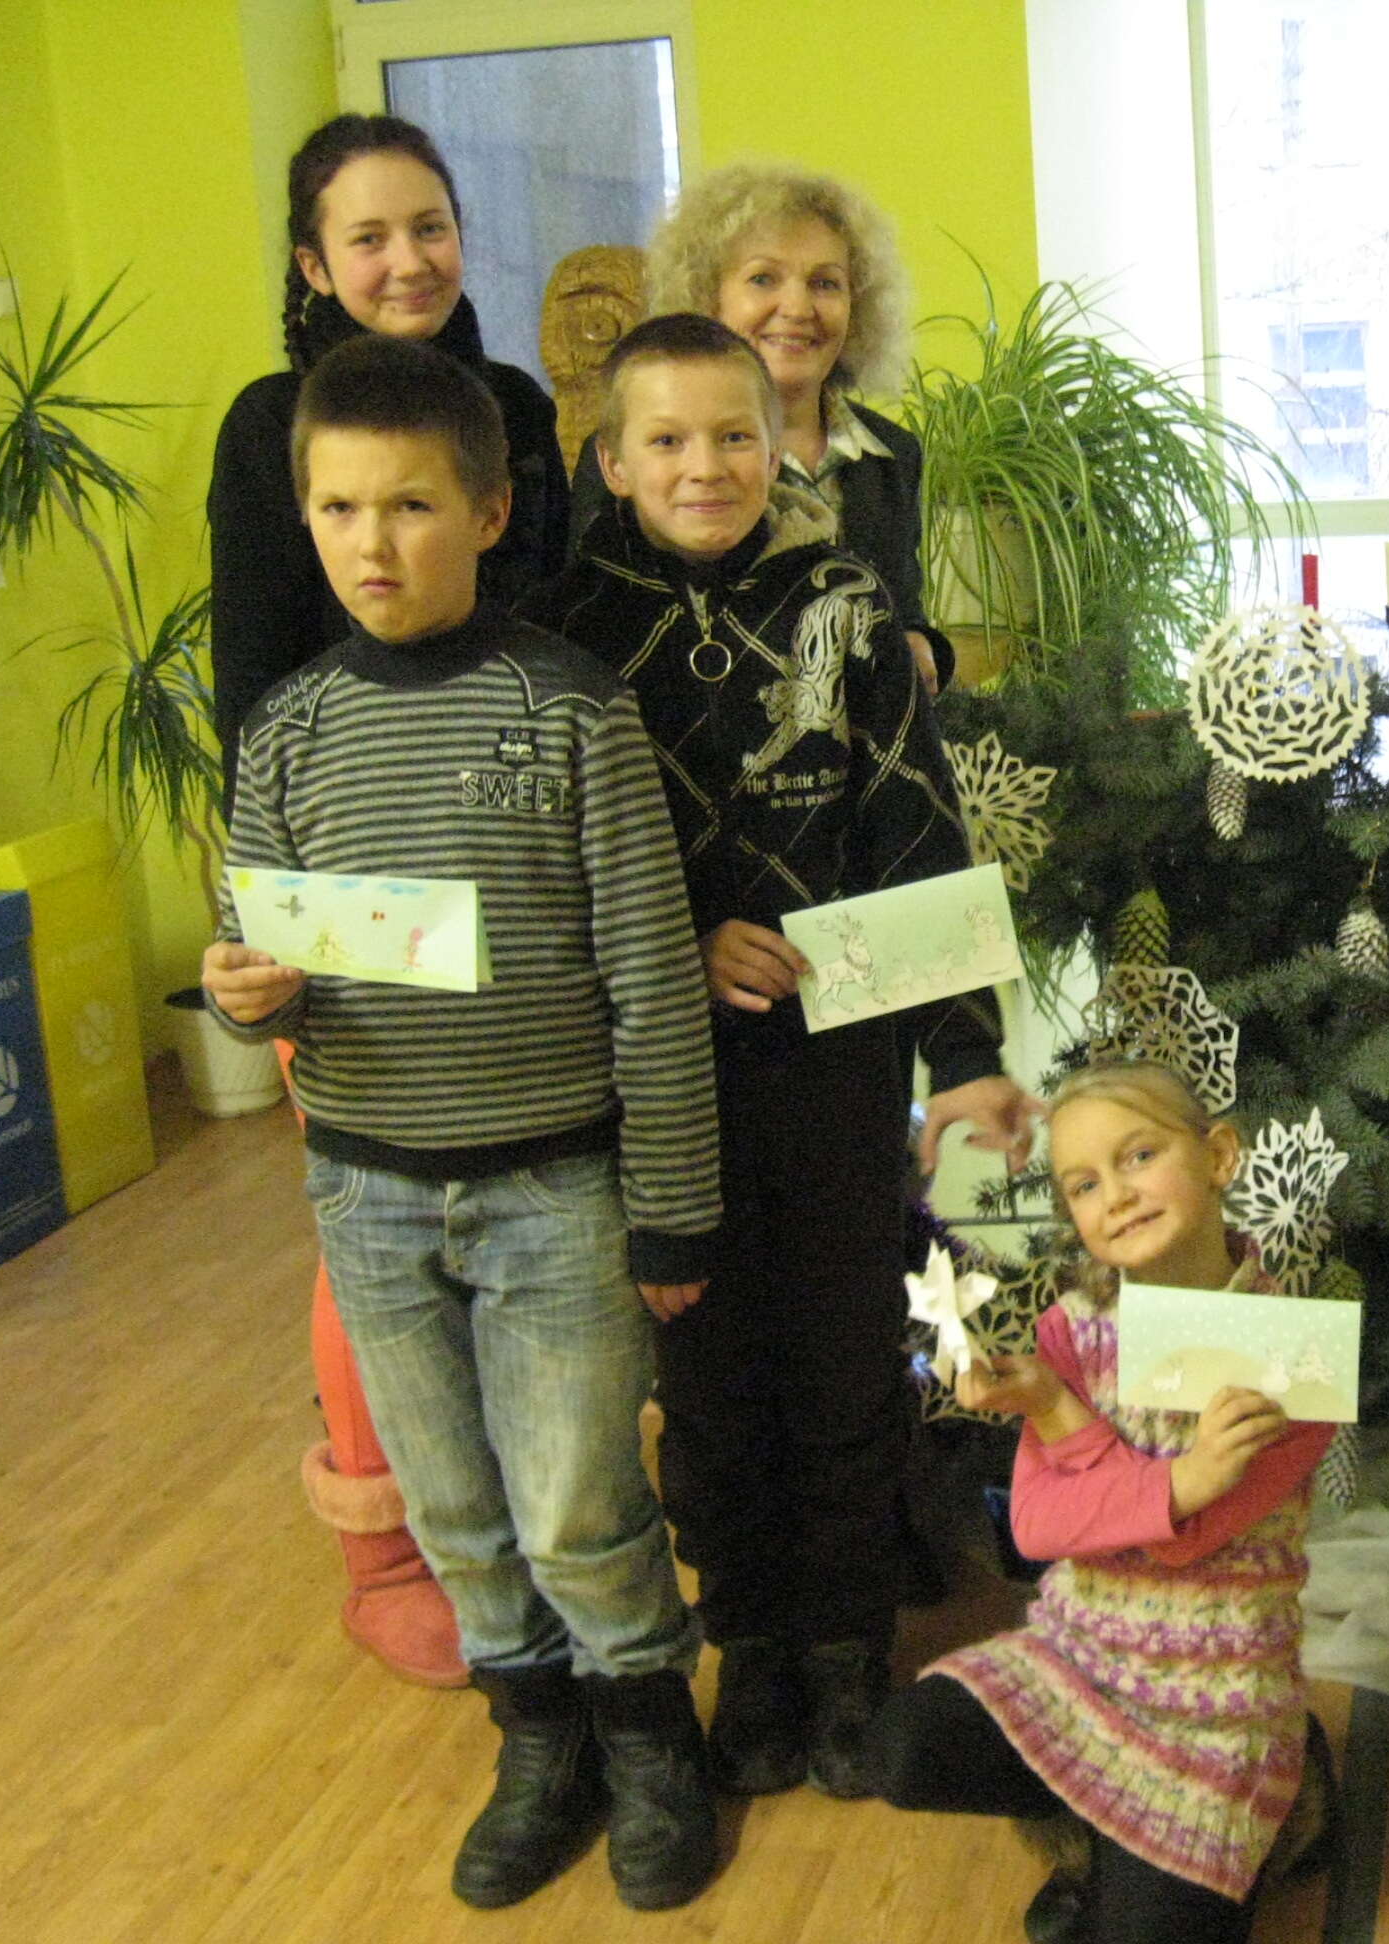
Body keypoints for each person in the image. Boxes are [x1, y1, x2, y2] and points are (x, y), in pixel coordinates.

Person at [200, 335, 723, 1911]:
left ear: (491, 514)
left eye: (412, 506)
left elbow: (653, 978)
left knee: (577, 1501)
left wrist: (673, 1207)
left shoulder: (569, 711)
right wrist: (247, 995)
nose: (374, 544)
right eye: (340, 509)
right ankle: (537, 1736)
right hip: (368, 1192)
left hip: (555, 1188)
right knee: (454, 1506)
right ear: (303, 516)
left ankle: (649, 1737)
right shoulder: (286, 732)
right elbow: (265, 970)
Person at [522, 313, 1042, 1802]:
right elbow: (551, 865)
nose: (705, 466)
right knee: (709, 1376)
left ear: (777, 445)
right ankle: (748, 1643)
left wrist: (965, 1053)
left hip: (838, 1063)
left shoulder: (845, 604)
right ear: (611, 461)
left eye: (734, 436)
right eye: (667, 440)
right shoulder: (565, 634)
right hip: (661, 1078)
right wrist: (683, 941)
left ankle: (843, 1647)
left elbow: (917, 825)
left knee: (841, 1360)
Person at [207, 112, 572, 1688]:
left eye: (430, 224)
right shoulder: (267, 425)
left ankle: (522, 1528)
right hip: (349, 896)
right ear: (313, 262)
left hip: (513, 871)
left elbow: (552, 633)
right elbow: (250, 685)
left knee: (527, 1221)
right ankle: (385, 1550)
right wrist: (288, 916)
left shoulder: (519, 413)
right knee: (371, 1234)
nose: (407, 260)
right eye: (368, 236)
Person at [865, 1060, 1338, 1944]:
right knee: (902, 1750)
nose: (1115, 1196)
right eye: (1084, 1184)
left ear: (1218, 1156)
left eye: (1140, 1156)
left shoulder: (1296, 1358)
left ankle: (1290, 1799)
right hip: (1081, 1664)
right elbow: (1040, 1527)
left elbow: (1180, 1545)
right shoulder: (1070, 1330)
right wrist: (1062, 1409)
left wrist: (1157, 1474)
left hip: (1216, 1708)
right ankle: (1095, 1831)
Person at [566, 162, 951, 698]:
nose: (797, 308)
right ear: (707, 296)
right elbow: (594, 626)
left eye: (825, 283)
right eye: (763, 278)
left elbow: (902, 611)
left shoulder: (891, 453)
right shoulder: (638, 454)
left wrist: (922, 644)